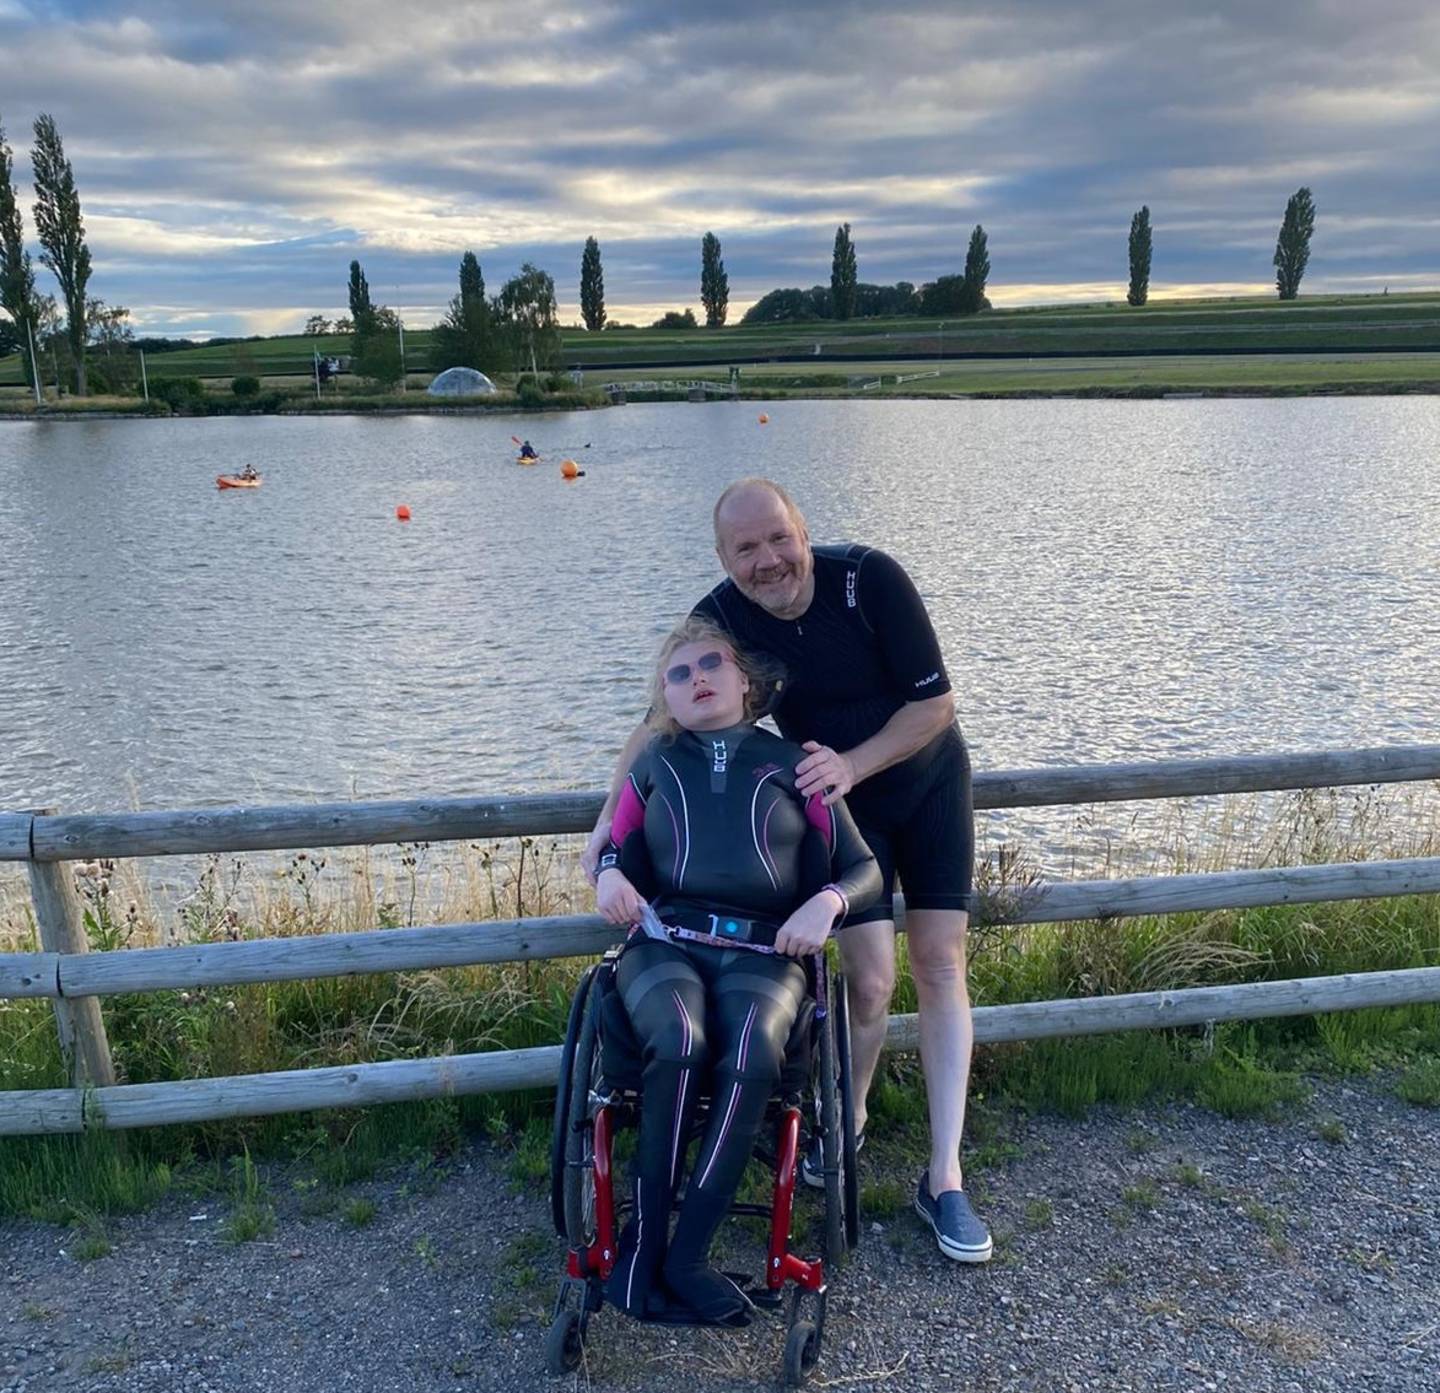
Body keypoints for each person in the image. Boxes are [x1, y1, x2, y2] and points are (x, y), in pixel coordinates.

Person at [584, 478, 991, 1264]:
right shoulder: (726, 615)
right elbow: (654, 728)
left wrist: (854, 762)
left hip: (922, 777)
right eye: (746, 548)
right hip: (834, 799)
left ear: (803, 531)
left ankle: (944, 1176)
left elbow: (934, 705)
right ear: (724, 558)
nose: (768, 560)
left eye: (778, 538)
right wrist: (607, 827)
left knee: (940, 964)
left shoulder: (868, 579)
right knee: (869, 983)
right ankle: (850, 1124)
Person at [594, 617, 881, 1324]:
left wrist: (828, 902)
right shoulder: (653, 763)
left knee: (754, 1042)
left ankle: (685, 1257)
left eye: (710, 665)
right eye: (679, 673)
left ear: (744, 681)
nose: (697, 679)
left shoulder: (798, 764)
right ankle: (641, 1248)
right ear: (665, 696)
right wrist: (605, 877)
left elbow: (865, 868)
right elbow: (611, 847)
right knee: (681, 1034)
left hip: (767, 949)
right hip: (665, 940)